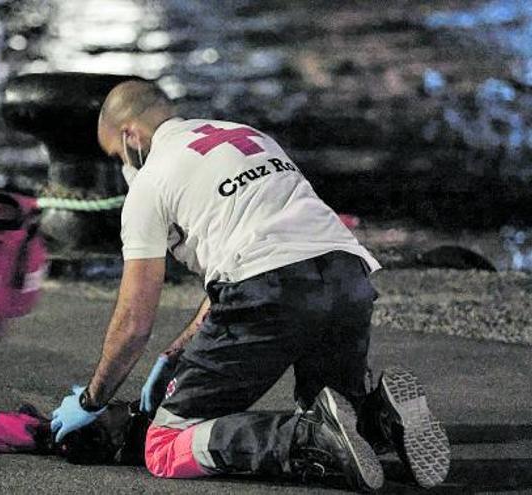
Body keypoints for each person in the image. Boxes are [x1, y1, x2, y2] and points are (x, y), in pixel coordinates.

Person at [50, 80, 451, 491]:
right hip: (348, 279)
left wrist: (91, 400)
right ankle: (378, 419)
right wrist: (176, 355)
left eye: (117, 154)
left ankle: (309, 438)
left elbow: (134, 320)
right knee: (337, 407)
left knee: (165, 445)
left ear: (130, 134)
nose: (122, 165)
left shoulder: (150, 182)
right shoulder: (248, 136)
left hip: (270, 292)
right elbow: (255, 251)